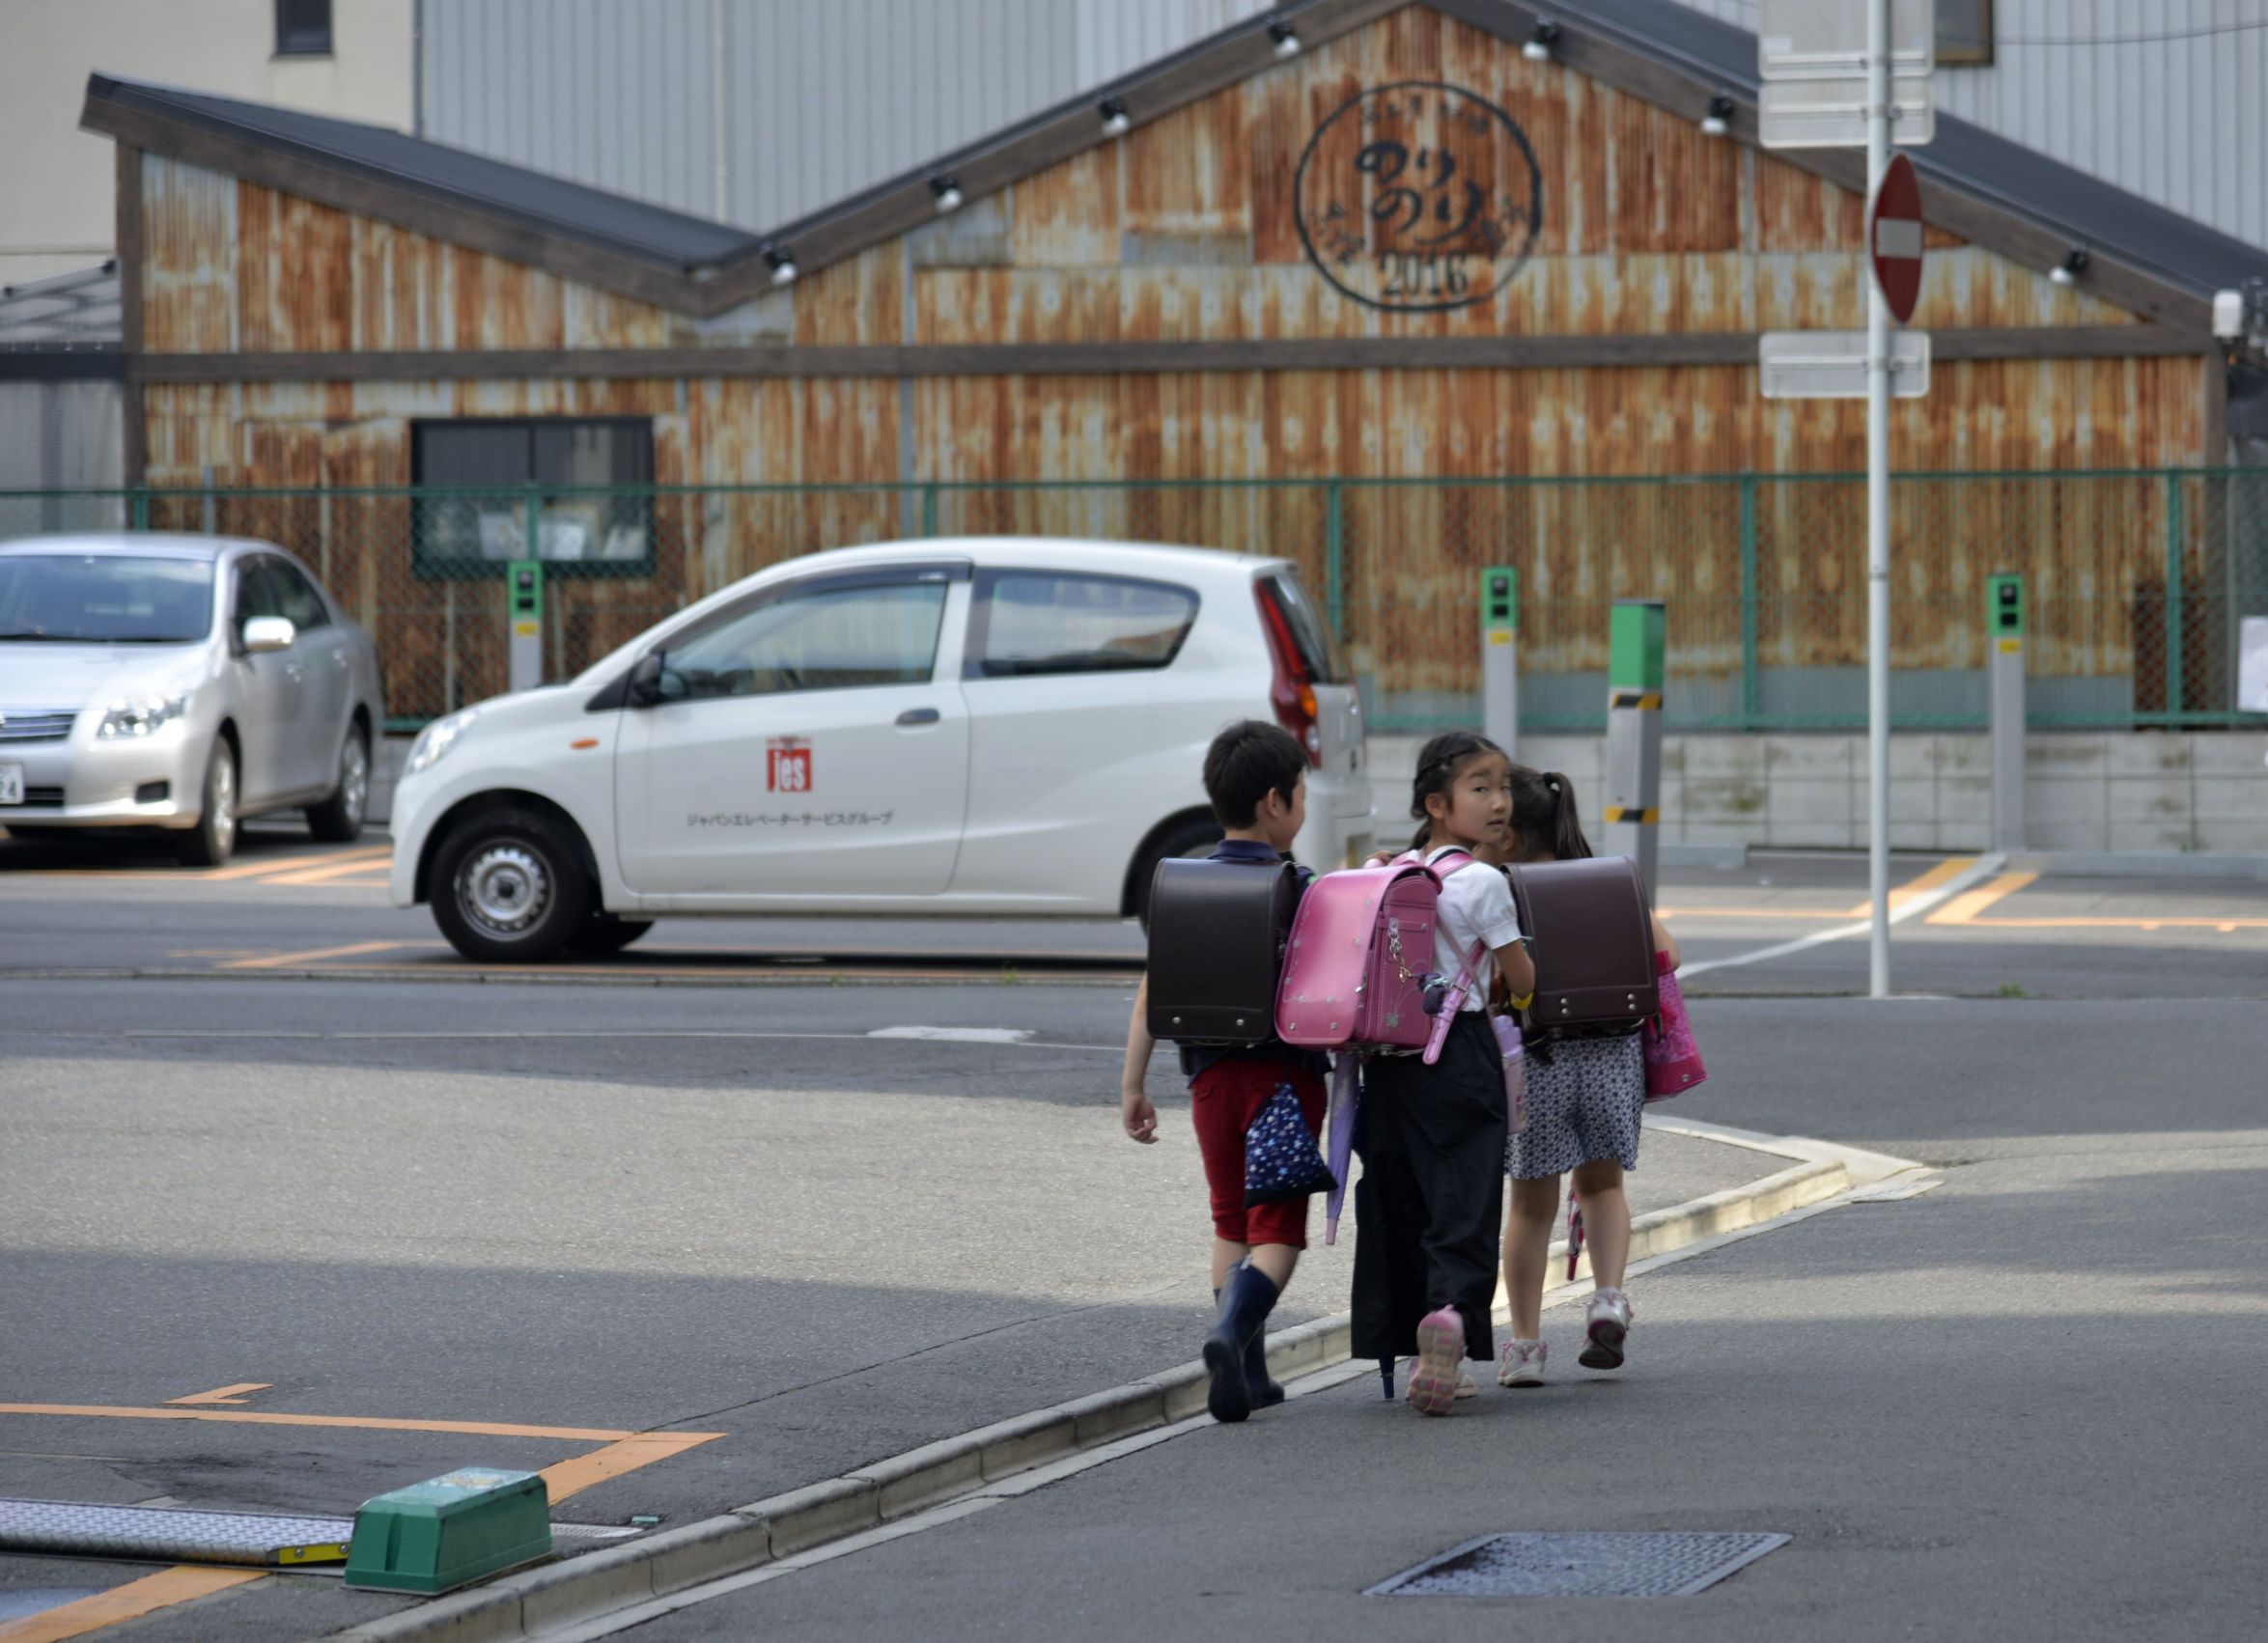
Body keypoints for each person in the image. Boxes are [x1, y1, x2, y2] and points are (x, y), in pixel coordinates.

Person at [1118, 720, 1330, 1424]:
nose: (1301, 806)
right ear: (1275, 803)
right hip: (1282, 1085)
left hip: (1207, 1081)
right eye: (1300, 794)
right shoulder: (1298, 887)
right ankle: (1231, 1334)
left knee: (1229, 1223)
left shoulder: (1180, 887)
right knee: (1278, 1230)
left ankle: (1246, 1373)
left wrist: (1132, 1084)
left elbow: (1153, 991)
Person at [1348, 731, 1537, 1416]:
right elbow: (1520, 977)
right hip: (1459, 1054)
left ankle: (1417, 1347)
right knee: (1465, 1193)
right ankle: (1451, 1317)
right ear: (1437, 803)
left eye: (1503, 787)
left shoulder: (1386, 873)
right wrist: (1514, 988)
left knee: (1404, 1197)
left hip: (1389, 1061)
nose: (1498, 802)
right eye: (1480, 788)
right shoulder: (1483, 881)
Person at [1496, 767, 1681, 1389]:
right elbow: (1668, 956)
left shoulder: (1503, 887)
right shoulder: (1609, 879)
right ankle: (1606, 1299)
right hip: (1611, 1057)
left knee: (1529, 1206)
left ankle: (1524, 1346)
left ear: (1514, 834)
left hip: (1540, 1059)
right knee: (1603, 1188)